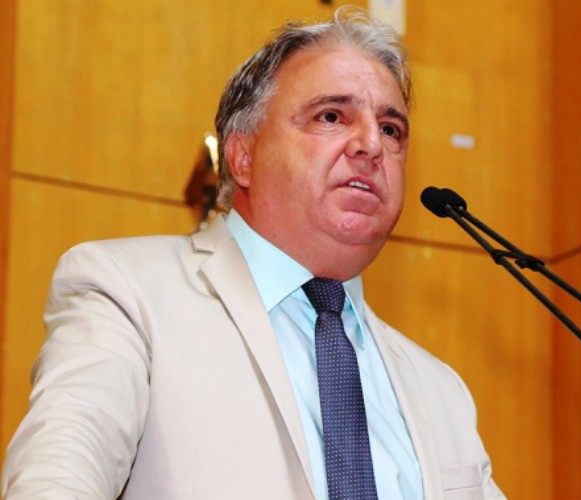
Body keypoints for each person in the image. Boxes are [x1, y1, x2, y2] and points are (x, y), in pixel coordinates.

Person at [1, 6, 505, 499]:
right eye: (332, 116)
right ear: (242, 157)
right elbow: (55, 478)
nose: (371, 144)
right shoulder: (128, 295)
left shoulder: (442, 390)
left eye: (391, 130)